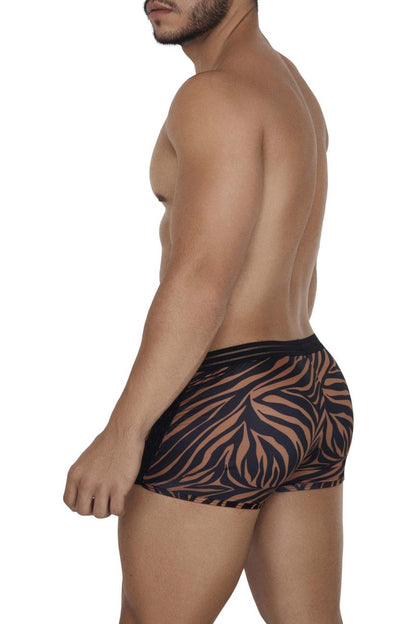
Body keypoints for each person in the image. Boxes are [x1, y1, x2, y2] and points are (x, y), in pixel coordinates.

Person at [63, 1, 354, 622]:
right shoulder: (290, 86)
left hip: (226, 396)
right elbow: (295, 263)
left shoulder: (211, 97)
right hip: (310, 385)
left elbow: (200, 280)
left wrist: (122, 433)